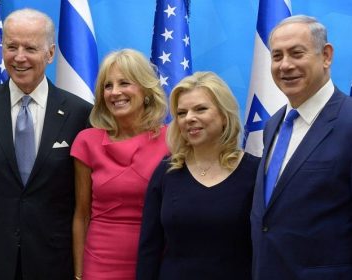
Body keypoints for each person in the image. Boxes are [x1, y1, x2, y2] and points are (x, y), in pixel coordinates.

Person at [0, 8, 92, 280]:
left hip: (53, 260)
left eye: (30, 48)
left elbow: (85, 200)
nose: (19, 57)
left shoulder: (80, 114)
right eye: (11, 46)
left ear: (50, 53)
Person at [251, 15, 352, 280]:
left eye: (297, 53)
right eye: (277, 56)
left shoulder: (349, 121)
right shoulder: (274, 125)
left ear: (326, 56)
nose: (285, 65)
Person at [136, 71, 260, 280]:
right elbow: (150, 246)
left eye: (200, 109)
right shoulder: (167, 172)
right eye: (182, 113)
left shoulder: (255, 173)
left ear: (224, 115)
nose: (190, 118)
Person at [71, 48, 169, 280]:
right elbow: (81, 215)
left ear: (145, 89)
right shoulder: (87, 141)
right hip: (99, 264)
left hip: (155, 261)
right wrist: (78, 274)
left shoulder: (172, 140)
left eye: (124, 83)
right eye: (108, 86)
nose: (115, 93)